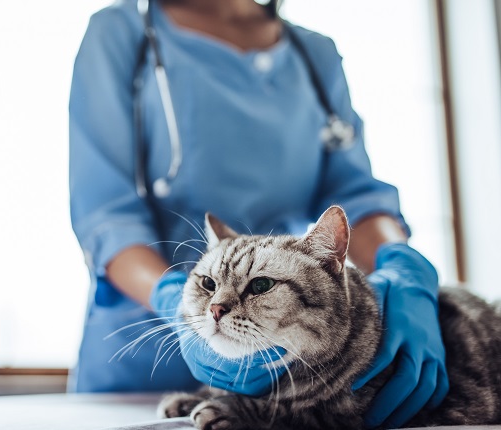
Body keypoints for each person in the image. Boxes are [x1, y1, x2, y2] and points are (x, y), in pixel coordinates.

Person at [68, 0, 448, 428]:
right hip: (146, 349)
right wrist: (176, 301)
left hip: (288, 349)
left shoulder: (314, 53)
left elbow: (354, 194)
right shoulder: (122, 32)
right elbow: (109, 217)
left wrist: (403, 268)